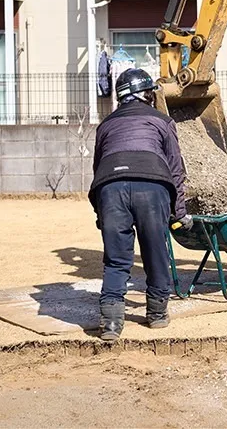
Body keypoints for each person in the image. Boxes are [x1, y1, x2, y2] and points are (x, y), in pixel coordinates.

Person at [88, 68, 191, 342]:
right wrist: (178, 213)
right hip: (152, 185)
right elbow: (176, 169)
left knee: (116, 258)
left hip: (110, 188)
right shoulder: (162, 121)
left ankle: (110, 323)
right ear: (146, 95)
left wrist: (101, 213)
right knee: (155, 252)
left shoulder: (106, 125)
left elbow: (98, 167)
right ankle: (156, 314)